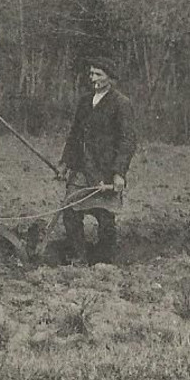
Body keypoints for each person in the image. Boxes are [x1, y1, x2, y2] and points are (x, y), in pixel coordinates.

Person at [56, 56, 137, 264]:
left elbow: (127, 141)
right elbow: (75, 134)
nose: (93, 78)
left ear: (110, 78)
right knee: (70, 211)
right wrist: (65, 163)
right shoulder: (85, 101)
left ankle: (104, 261)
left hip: (105, 171)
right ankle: (79, 256)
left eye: (98, 74)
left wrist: (119, 173)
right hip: (82, 168)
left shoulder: (121, 103)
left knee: (105, 217)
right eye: (91, 74)